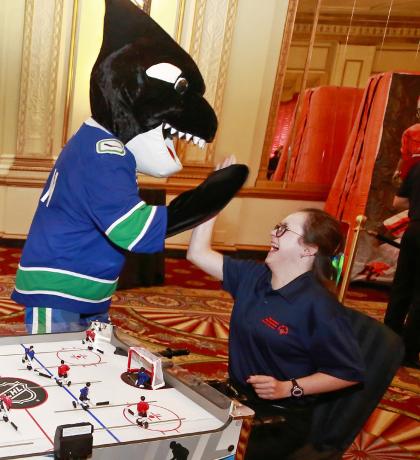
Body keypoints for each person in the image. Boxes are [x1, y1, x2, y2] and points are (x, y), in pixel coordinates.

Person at [187, 175, 364, 458]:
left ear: (309, 249)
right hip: (236, 399)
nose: (273, 233)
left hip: (280, 417)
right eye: (276, 227)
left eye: (283, 230)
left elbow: (349, 372)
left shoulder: (319, 307)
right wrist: (215, 195)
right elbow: (197, 253)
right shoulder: (255, 276)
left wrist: (288, 388)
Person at [384, 162, 420, 369]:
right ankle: (409, 351)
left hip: (413, 230)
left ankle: (387, 342)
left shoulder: (416, 166)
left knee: (401, 288)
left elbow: (398, 202)